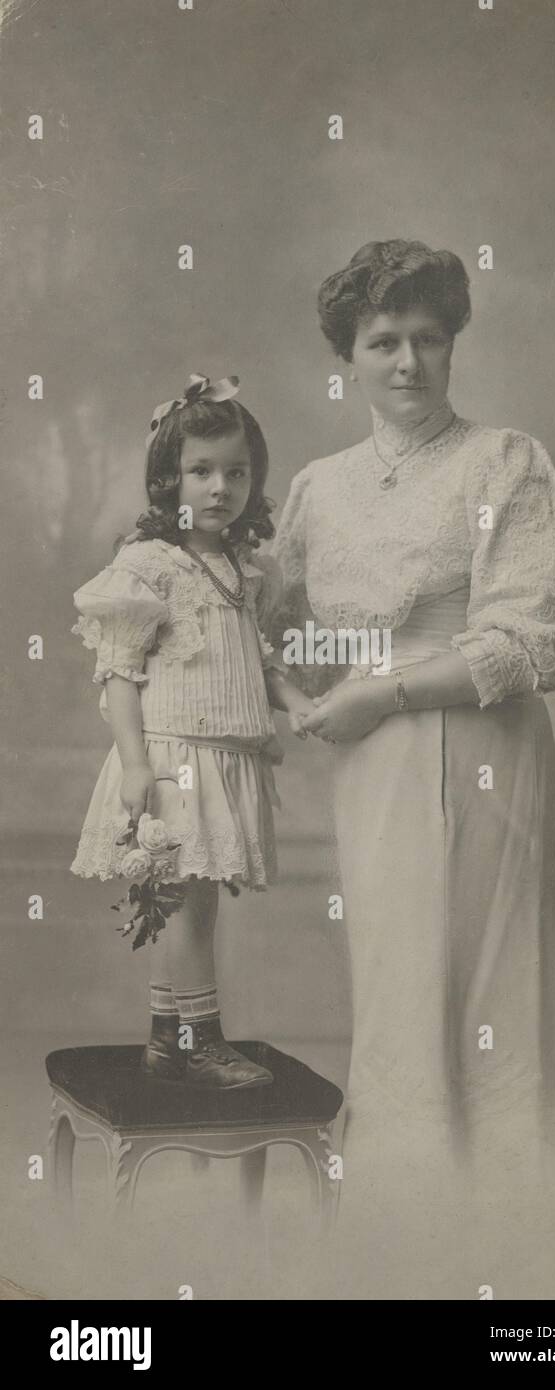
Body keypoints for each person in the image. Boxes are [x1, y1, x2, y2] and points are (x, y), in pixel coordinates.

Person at [271, 241, 555, 1297]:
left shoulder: (505, 463)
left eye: (428, 339)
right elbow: (258, 617)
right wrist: (287, 691)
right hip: (372, 766)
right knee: (401, 988)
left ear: (454, 344)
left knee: (490, 984)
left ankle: (509, 1242)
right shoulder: (316, 489)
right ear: (347, 358)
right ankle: (408, 1247)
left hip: (486, 749)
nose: (408, 362)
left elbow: (535, 642)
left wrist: (383, 690)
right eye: (383, 342)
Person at [70, 373, 314, 1091]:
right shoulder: (150, 566)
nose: (219, 488)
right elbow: (118, 674)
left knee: (181, 907)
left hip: (223, 757)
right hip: (173, 762)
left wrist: (297, 703)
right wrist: (136, 764)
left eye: (235, 472)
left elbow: (255, 664)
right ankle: (199, 1044)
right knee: (188, 911)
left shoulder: (245, 571)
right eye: (200, 471)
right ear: (167, 480)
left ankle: (163, 1040)